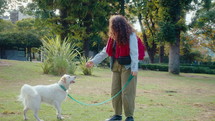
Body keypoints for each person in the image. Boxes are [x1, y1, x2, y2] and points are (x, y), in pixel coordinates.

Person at [86, 15, 138, 121]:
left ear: (120, 26)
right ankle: (117, 115)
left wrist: (134, 68)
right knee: (115, 91)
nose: (112, 28)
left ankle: (129, 117)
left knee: (127, 93)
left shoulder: (131, 35)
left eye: (114, 26)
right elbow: (105, 51)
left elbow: (134, 52)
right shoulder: (112, 37)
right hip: (116, 66)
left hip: (127, 67)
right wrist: (93, 61)